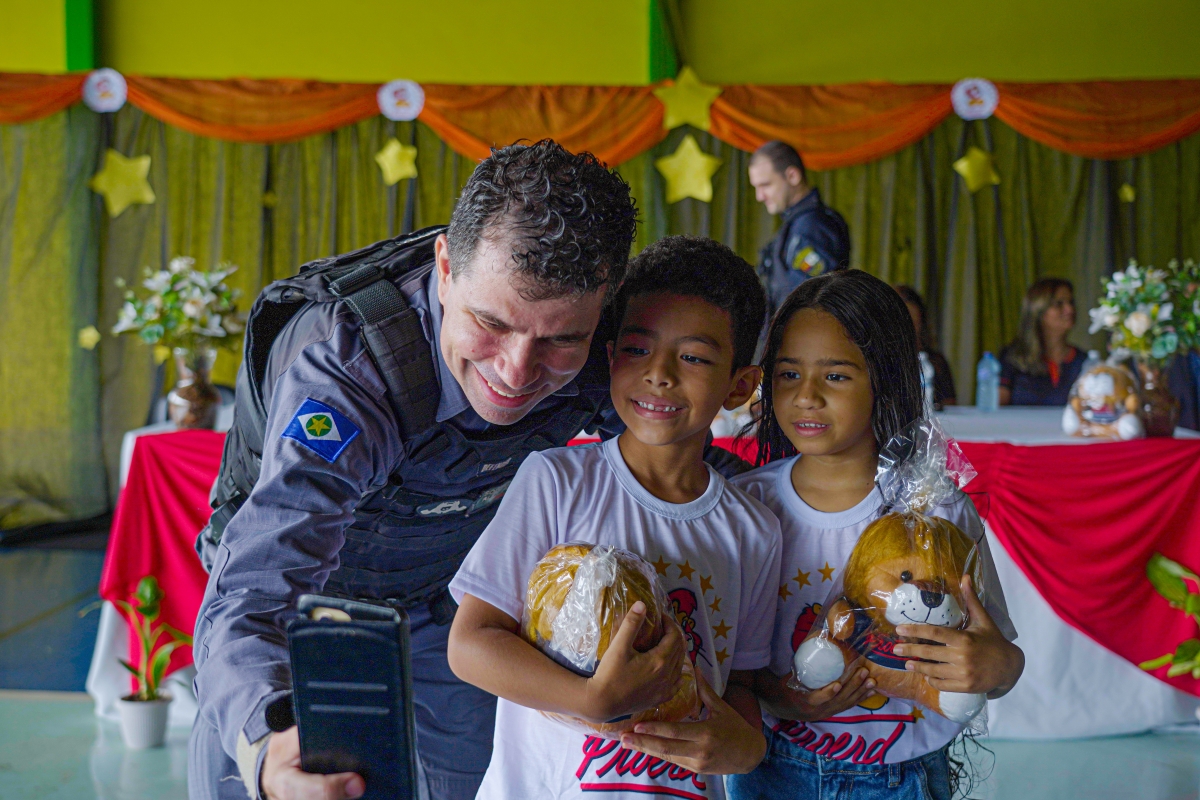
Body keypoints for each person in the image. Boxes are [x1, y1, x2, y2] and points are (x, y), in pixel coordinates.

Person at [189, 142, 742, 800]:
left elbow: (677, 455)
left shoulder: (606, 346)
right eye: (490, 322)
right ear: (446, 268)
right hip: (308, 611)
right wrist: (265, 741)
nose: (516, 371)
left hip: (449, 606)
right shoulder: (347, 373)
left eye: (560, 339)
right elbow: (255, 593)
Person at [446, 236, 783, 799]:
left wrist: (747, 746)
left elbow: (741, 684)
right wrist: (590, 700)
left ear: (740, 386)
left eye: (694, 357)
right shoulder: (556, 481)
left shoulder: (754, 531)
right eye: (636, 349)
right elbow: (469, 645)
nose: (659, 374)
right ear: (609, 359)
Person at [726, 270, 1024, 800]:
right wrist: (784, 699)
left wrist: (994, 666)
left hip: (907, 777)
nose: (806, 396)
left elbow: (999, 656)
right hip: (773, 768)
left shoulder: (936, 510)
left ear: (884, 379)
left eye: (836, 376)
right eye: (789, 373)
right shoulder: (744, 505)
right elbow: (728, 668)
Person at [749, 141, 850, 315]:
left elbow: (809, 304)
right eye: (756, 187)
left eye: (765, 185)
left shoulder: (813, 225)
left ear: (793, 176)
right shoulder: (799, 223)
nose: (760, 196)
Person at [999, 278, 1085, 406]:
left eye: (1071, 302)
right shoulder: (1013, 357)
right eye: (1059, 304)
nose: (1070, 309)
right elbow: (996, 408)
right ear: (1038, 310)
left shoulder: (1083, 361)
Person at [894, 285, 956, 407]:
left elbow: (949, 405)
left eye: (912, 324)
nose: (905, 332)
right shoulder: (874, 360)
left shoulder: (934, 362)